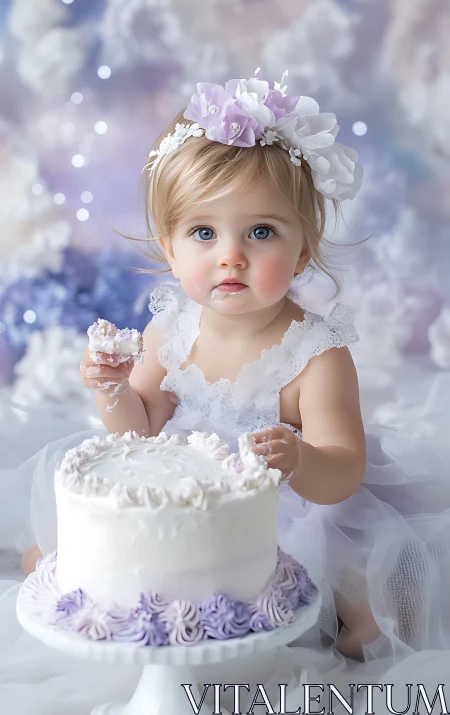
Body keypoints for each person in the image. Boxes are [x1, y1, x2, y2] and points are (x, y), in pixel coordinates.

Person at [20, 70, 450, 665]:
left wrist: (300, 460)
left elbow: (345, 469)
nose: (231, 255)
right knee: (69, 555)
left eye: (261, 232)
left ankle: (362, 624)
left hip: (290, 499)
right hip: (188, 493)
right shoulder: (169, 331)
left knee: (360, 600)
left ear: (303, 248)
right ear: (170, 247)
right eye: (203, 232)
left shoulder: (315, 355)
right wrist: (114, 390)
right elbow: (138, 433)